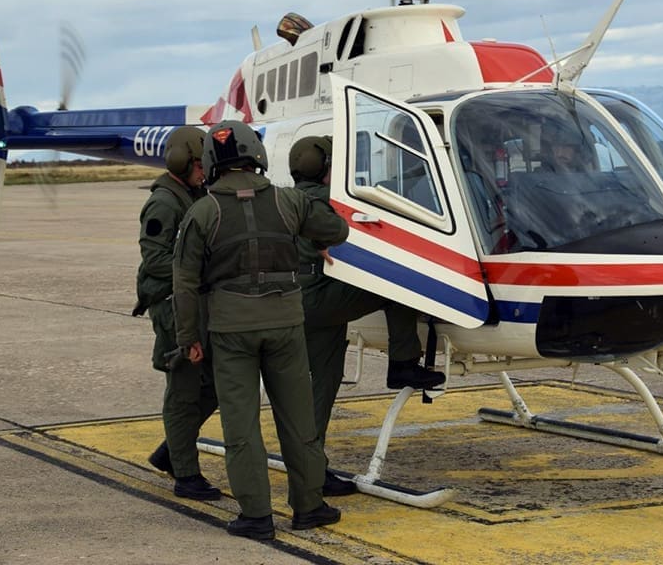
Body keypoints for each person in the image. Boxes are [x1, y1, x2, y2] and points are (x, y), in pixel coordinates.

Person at [173, 121, 344, 541]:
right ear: (256, 153)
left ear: (212, 161)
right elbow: (336, 230)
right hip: (286, 324)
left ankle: (256, 516)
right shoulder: (289, 200)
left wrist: (188, 338)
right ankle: (309, 506)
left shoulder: (203, 212)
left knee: (241, 424)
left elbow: (185, 283)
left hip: (231, 330)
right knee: (298, 418)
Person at [288, 135, 446, 497]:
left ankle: (312, 469)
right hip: (319, 299)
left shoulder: (284, 199)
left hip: (292, 301)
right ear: (326, 168)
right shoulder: (327, 203)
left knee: (320, 385)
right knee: (397, 284)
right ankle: (403, 362)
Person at [133, 125, 221, 501]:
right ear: (182, 161)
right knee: (184, 388)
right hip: (172, 304)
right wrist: (199, 266)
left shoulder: (195, 195)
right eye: (200, 164)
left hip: (195, 301)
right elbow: (154, 259)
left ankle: (172, 450)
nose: (204, 172)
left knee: (215, 385)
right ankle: (185, 473)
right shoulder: (164, 203)